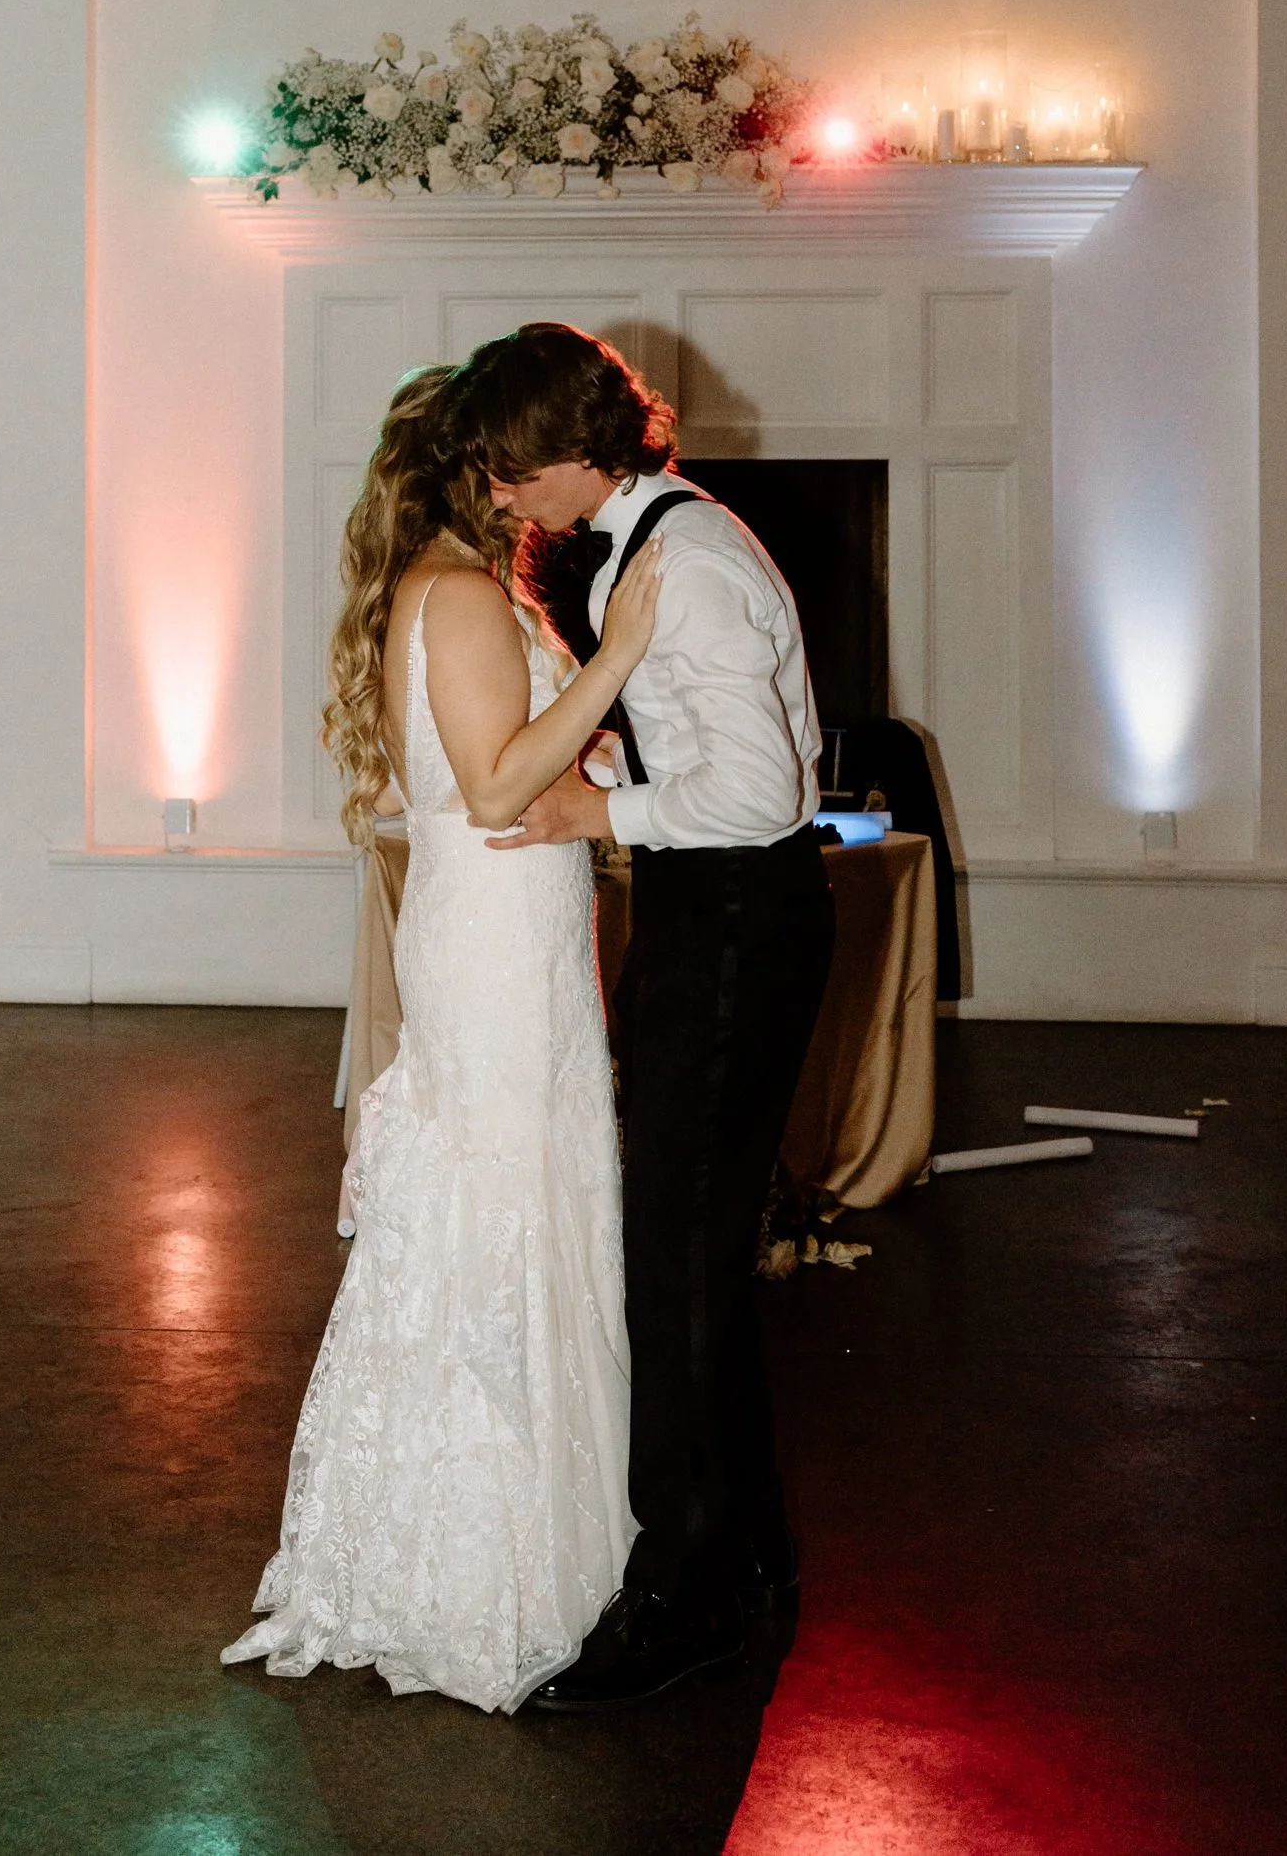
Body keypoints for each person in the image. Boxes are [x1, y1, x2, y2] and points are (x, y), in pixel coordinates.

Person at [221, 365, 663, 1713]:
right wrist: (627, 654)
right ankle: (483, 1577)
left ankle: (503, 1549)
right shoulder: (463, 596)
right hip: (492, 952)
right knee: (500, 1217)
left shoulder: (472, 591)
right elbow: (490, 785)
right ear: (482, 473)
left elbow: (532, 767)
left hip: (517, 933)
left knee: (520, 1209)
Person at [447, 324, 835, 1711]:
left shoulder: (697, 569)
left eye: (507, 471)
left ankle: (678, 1596)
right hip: (712, 923)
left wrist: (599, 807)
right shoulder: (651, 543)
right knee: (684, 1256)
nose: (497, 499)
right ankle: (748, 1563)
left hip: (735, 925)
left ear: (576, 445)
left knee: (669, 1265)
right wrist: (618, 747)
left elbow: (767, 799)